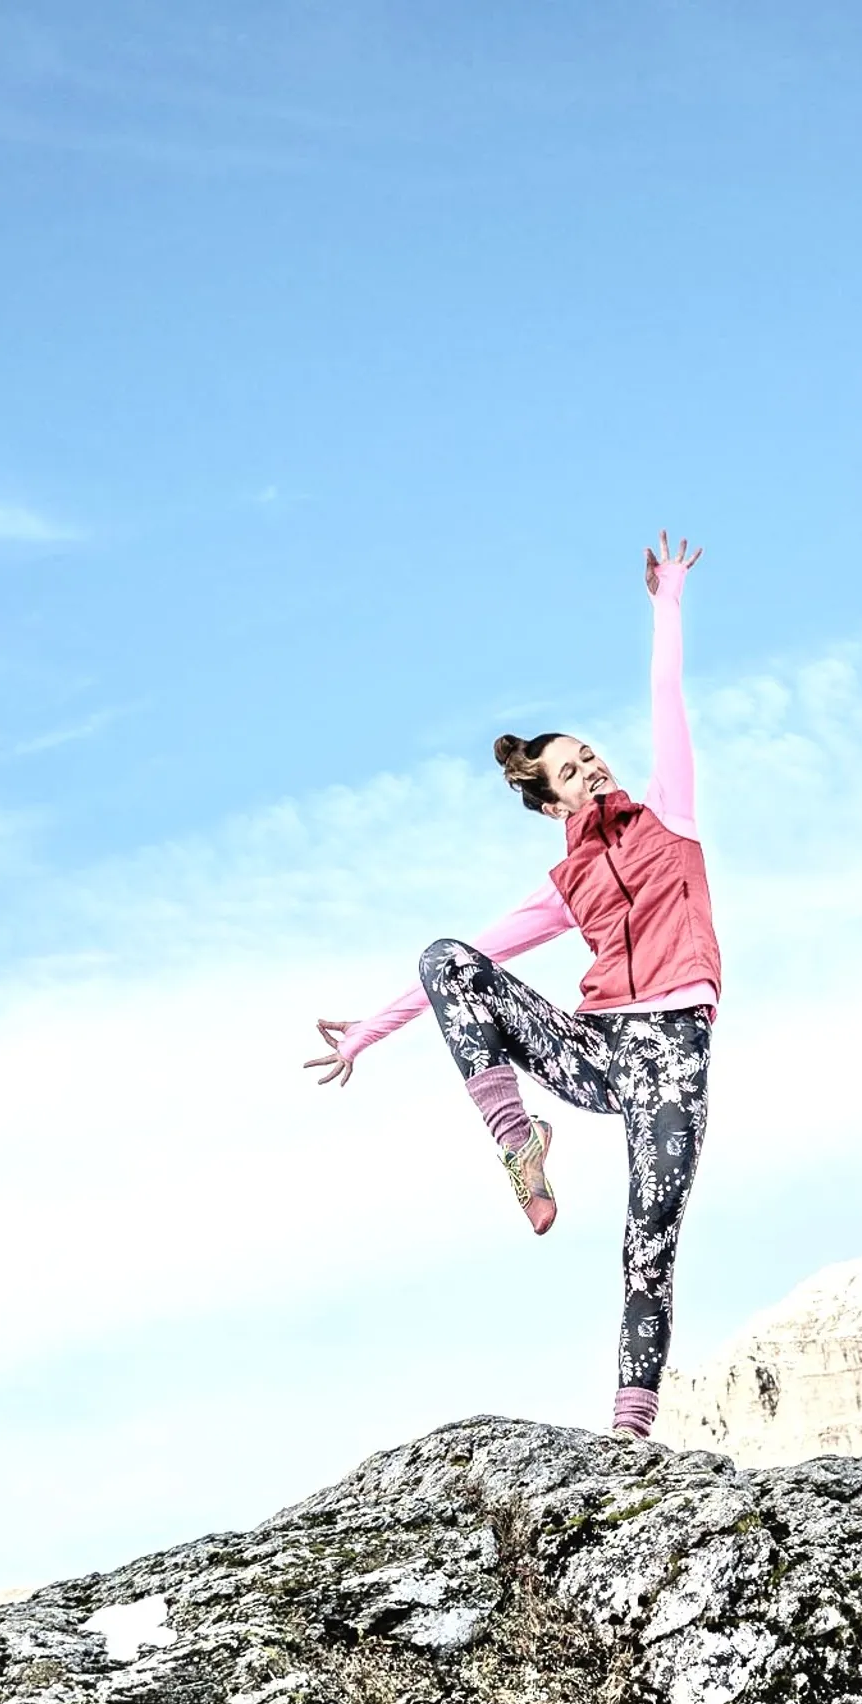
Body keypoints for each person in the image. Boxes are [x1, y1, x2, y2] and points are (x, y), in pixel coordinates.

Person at [306, 532, 718, 1439]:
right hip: (600, 1049)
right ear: (549, 804)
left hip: (674, 1061)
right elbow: (458, 974)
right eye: (572, 769)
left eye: (591, 754)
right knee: (447, 956)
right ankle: (517, 1138)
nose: (594, 767)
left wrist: (667, 601)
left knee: (649, 1242)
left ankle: (629, 1431)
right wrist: (368, 1032)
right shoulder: (561, 886)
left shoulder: (669, 816)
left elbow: (665, 695)